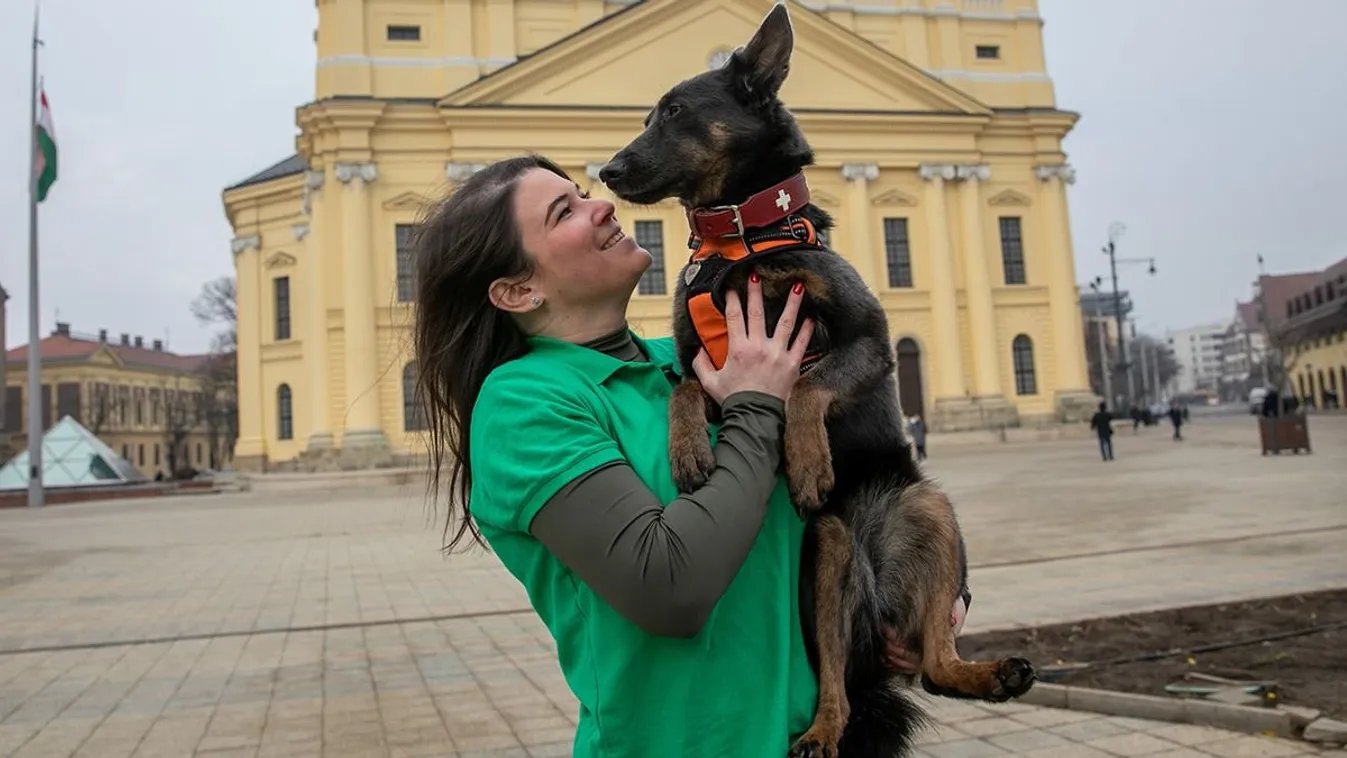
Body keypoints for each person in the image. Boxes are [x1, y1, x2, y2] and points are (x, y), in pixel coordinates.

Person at [410, 155, 968, 758]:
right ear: (519, 290)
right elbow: (667, 585)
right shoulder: (524, 404)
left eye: (582, 192)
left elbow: (873, 475)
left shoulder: (699, 364)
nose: (603, 204)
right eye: (564, 211)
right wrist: (756, 408)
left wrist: (941, 600)